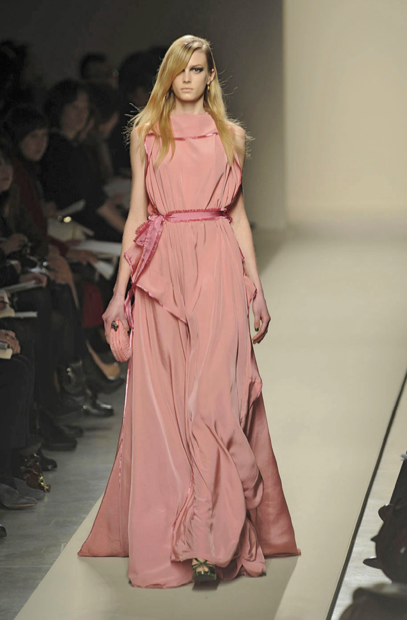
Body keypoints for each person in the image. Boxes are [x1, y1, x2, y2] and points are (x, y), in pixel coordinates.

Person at [78, 34, 301, 588]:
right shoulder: (147, 133)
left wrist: (256, 286)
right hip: (163, 271)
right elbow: (137, 215)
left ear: (210, 76)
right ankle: (191, 537)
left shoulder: (231, 136)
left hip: (218, 266)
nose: (187, 78)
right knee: (168, 407)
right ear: (168, 74)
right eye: (179, 69)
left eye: (197, 69)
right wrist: (119, 293)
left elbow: (238, 215)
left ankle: (209, 535)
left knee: (212, 403)